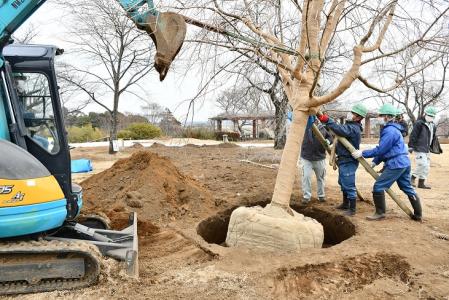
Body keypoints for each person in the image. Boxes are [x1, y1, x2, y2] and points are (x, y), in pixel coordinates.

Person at [352, 103, 422, 221]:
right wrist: (375, 162)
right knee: (407, 187)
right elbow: (385, 149)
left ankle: (380, 213)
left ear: (387, 117)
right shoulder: (393, 130)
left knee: (379, 186)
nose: (378, 117)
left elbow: (382, 149)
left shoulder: (390, 131)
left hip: (396, 163)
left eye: (380, 115)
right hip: (404, 162)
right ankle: (418, 214)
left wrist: (363, 153)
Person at [317, 103, 367, 216]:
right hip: (343, 159)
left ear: (358, 117)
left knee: (348, 184)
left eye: (353, 113)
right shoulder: (350, 126)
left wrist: (326, 119)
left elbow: (339, 129)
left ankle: (352, 209)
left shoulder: (353, 128)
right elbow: (339, 129)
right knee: (343, 182)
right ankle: (345, 204)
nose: (350, 114)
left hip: (349, 160)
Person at [300, 116, 333, 204]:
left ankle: (321, 196)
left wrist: (328, 141)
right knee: (306, 177)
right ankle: (306, 197)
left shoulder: (323, 128)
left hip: (320, 157)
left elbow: (330, 138)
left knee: (321, 178)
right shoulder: (304, 126)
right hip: (306, 157)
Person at [408, 106, 442, 189]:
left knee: (426, 167)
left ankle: (421, 182)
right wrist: (411, 146)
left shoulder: (433, 125)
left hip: (427, 149)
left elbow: (433, 137)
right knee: (422, 164)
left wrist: (435, 147)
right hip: (419, 148)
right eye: (429, 115)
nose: (430, 117)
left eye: (432, 116)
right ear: (425, 114)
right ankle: (412, 178)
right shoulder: (419, 123)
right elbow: (413, 135)